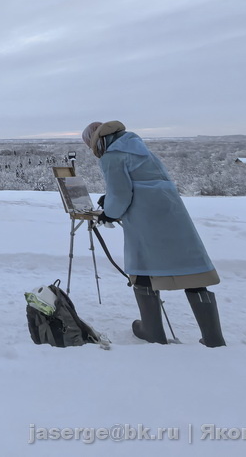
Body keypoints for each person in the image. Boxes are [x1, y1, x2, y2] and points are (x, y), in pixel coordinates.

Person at [82, 120, 226, 347]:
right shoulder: (138, 148)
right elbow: (143, 183)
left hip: (146, 220)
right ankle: (213, 338)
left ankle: (152, 330)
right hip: (173, 215)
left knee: (143, 267)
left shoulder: (112, 155)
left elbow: (120, 195)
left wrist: (108, 213)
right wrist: (109, 199)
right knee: (192, 271)